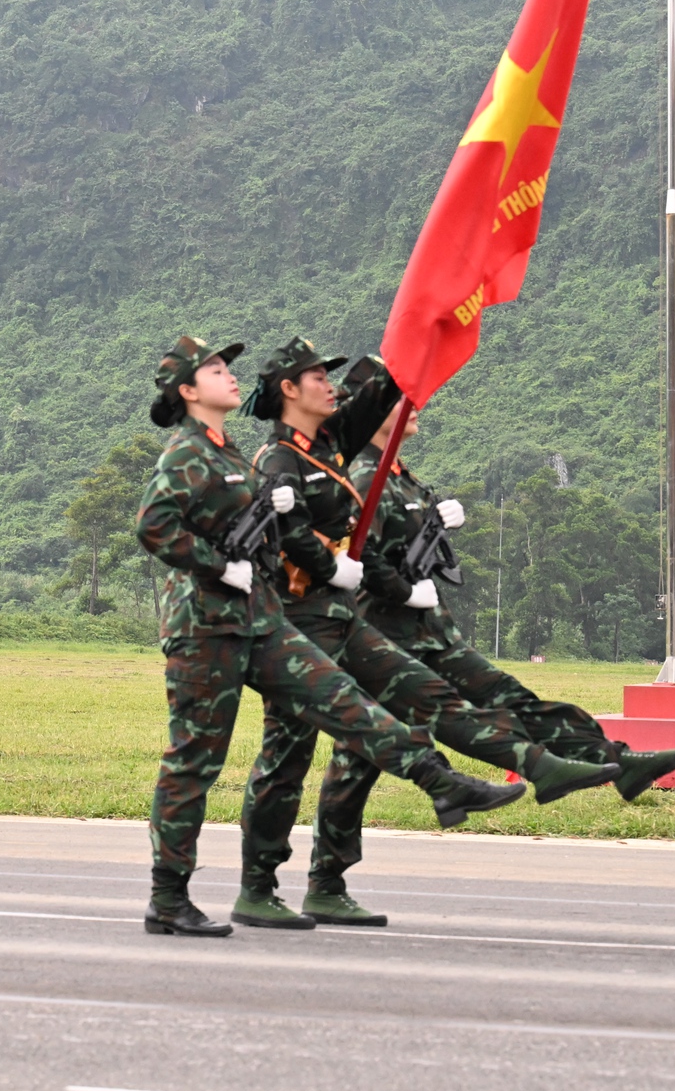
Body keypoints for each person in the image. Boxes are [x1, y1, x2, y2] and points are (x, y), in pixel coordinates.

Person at [134, 336, 522, 937]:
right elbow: (154, 527)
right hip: (203, 626)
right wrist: (219, 564)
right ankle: (168, 897)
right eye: (214, 369)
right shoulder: (185, 453)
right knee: (194, 762)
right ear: (188, 391)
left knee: (341, 700)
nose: (227, 376)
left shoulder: (228, 449)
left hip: (260, 618)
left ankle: (440, 783)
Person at [234, 338, 621, 929]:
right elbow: (279, 534)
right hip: (294, 625)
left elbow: (389, 389)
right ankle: (258, 886)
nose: (330, 385)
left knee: (425, 694)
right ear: (289, 389)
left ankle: (539, 766)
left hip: (340, 617)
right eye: (317, 377)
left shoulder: (329, 445)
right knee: (287, 759)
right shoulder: (277, 460)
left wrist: (422, 331)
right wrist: (331, 563)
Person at [312, 360, 675, 878]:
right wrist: (406, 591)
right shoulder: (363, 474)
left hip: (430, 634)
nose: (414, 405)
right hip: (387, 638)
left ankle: (617, 760)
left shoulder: (400, 475)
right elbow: (357, 559)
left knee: (508, 695)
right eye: (399, 398)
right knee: (357, 759)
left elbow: (410, 550)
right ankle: (326, 876)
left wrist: (434, 526)